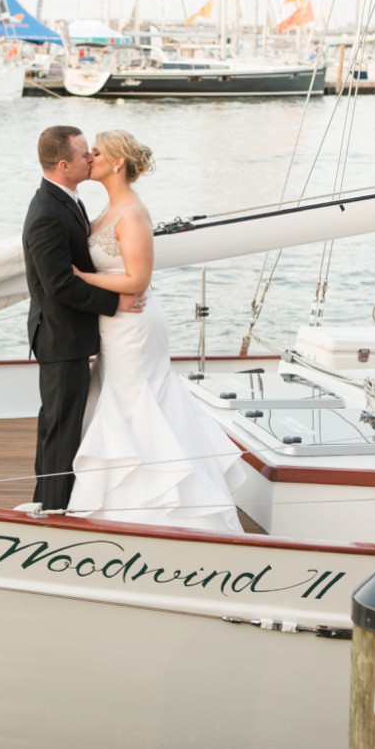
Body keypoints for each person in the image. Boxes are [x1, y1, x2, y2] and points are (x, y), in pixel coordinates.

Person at [66, 129, 246, 535]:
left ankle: (158, 504)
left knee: (138, 399)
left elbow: (137, 280)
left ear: (117, 163)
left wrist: (82, 278)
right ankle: (117, 500)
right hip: (113, 324)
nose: (89, 156)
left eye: (98, 152)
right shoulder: (105, 212)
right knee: (116, 395)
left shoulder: (132, 214)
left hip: (135, 323)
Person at [22, 125, 145, 511]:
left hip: (72, 334)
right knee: (61, 427)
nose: (89, 159)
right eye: (82, 154)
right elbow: (59, 284)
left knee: (58, 421)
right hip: (60, 336)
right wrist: (115, 303)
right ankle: (55, 509)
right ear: (63, 165)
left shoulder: (68, 200)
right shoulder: (47, 212)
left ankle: (46, 499)